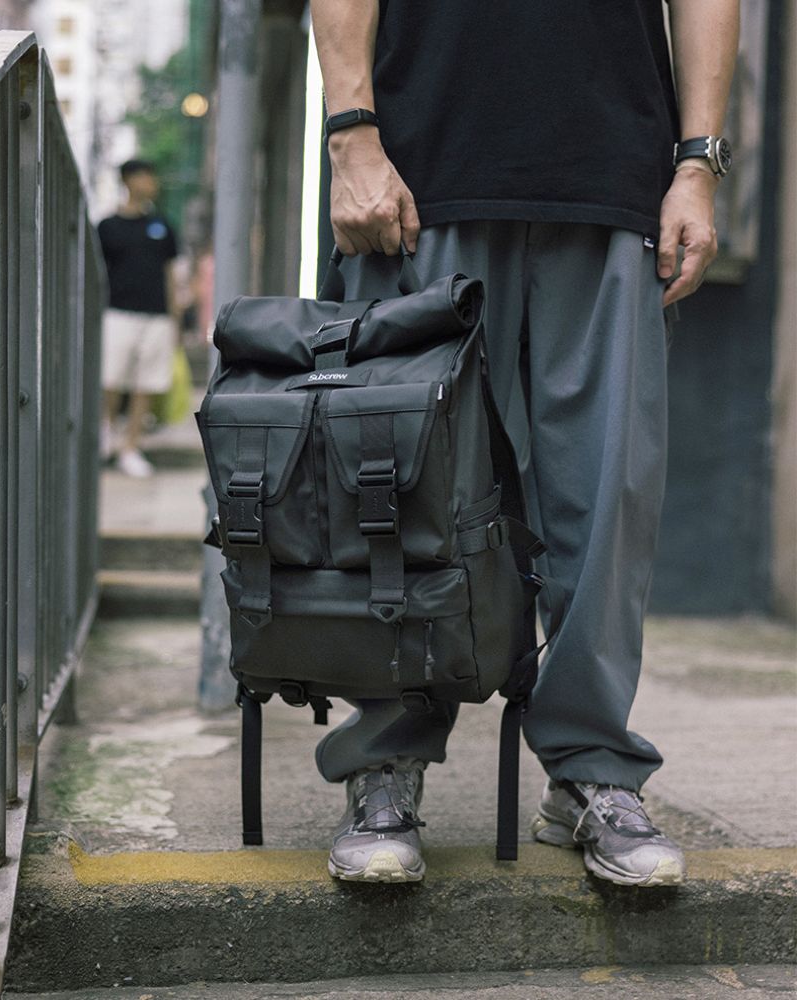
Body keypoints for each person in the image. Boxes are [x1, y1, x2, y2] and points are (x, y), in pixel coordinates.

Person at [309, 0, 739, 885]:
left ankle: (592, 770)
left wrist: (698, 162)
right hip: (424, 170)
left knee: (610, 489)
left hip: (614, 171)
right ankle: (386, 760)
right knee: (402, 483)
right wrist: (352, 132)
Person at [98, 159, 180, 478]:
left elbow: (171, 274)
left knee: (146, 383)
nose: (151, 182)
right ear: (128, 180)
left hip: (157, 316)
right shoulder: (107, 227)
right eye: (144, 176)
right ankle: (106, 432)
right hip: (116, 312)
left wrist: (174, 320)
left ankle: (131, 447)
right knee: (110, 379)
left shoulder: (162, 225)